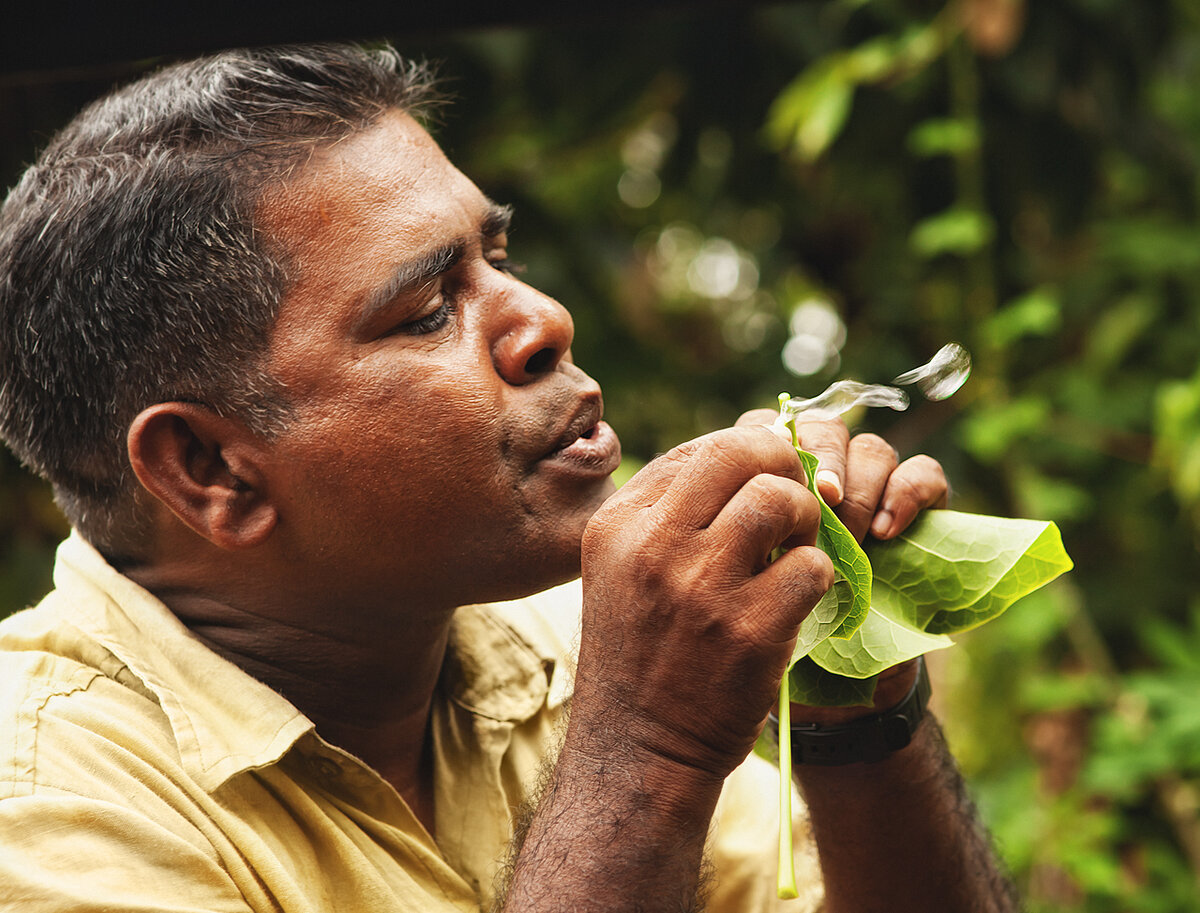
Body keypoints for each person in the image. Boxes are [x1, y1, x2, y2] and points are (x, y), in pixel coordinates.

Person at [0, 44, 1017, 912]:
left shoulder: (559, 639)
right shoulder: (42, 803)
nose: (542, 322)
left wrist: (851, 704)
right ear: (212, 469)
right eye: (427, 311)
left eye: (494, 254)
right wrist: (652, 749)